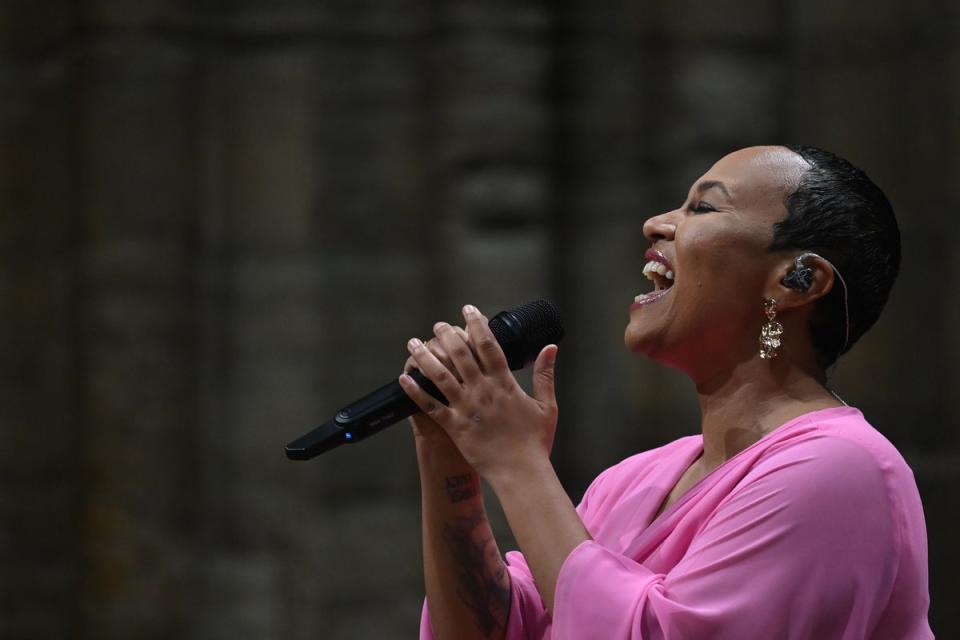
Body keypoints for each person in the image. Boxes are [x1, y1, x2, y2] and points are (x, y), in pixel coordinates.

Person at [398, 145, 933, 639]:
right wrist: (450, 460)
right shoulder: (631, 481)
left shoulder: (840, 468)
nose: (656, 224)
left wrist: (517, 462)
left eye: (702, 209)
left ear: (796, 280)